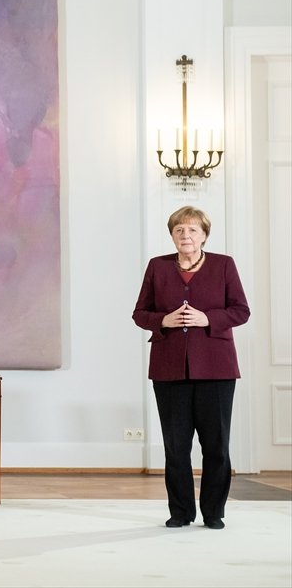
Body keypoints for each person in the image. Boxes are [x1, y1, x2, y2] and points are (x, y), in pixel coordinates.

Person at [132, 206, 249, 530]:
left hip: (217, 369)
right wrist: (163, 320)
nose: (186, 236)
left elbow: (241, 310)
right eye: (180, 230)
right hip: (169, 370)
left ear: (204, 235)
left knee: (216, 445)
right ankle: (181, 511)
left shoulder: (224, 265)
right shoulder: (158, 267)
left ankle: (213, 512)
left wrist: (208, 318)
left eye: (193, 230)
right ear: (172, 234)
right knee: (176, 446)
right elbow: (140, 313)